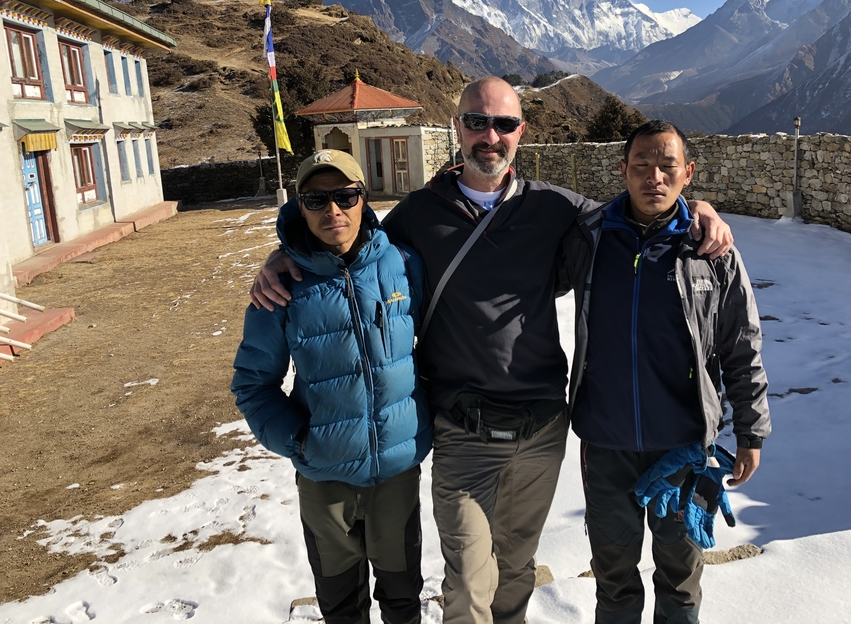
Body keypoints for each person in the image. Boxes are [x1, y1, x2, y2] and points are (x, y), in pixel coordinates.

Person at [250, 78, 734, 624]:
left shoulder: (557, 208)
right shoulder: (417, 214)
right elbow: (350, 245)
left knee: (517, 569)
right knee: (466, 584)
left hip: (541, 429)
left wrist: (700, 209)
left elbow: (643, 211)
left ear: (520, 132)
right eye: (477, 122)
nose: (490, 135)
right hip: (463, 429)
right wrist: (283, 257)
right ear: (457, 127)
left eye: (504, 123)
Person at [560, 120, 772, 624]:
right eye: (641, 165)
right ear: (623, 170)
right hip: (606, 445)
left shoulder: (713, 254)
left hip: (682, 447)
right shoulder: (589, 239)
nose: (653, 176)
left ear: (688, 173)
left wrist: (751, 431)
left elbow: (742, 346)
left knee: (679, 584)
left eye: (667, 166)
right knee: (614, 583)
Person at [231, 150, 432, 624]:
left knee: (403, 600)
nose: (333, 210)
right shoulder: (282, 287)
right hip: (326, 481)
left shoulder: (403, 265)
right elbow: (253, 383)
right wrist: (299, 440)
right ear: (299, 207)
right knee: (342, 606)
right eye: (316, 199)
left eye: (345, 196)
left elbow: (438, 339)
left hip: (398, 471)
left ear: (364, 199)